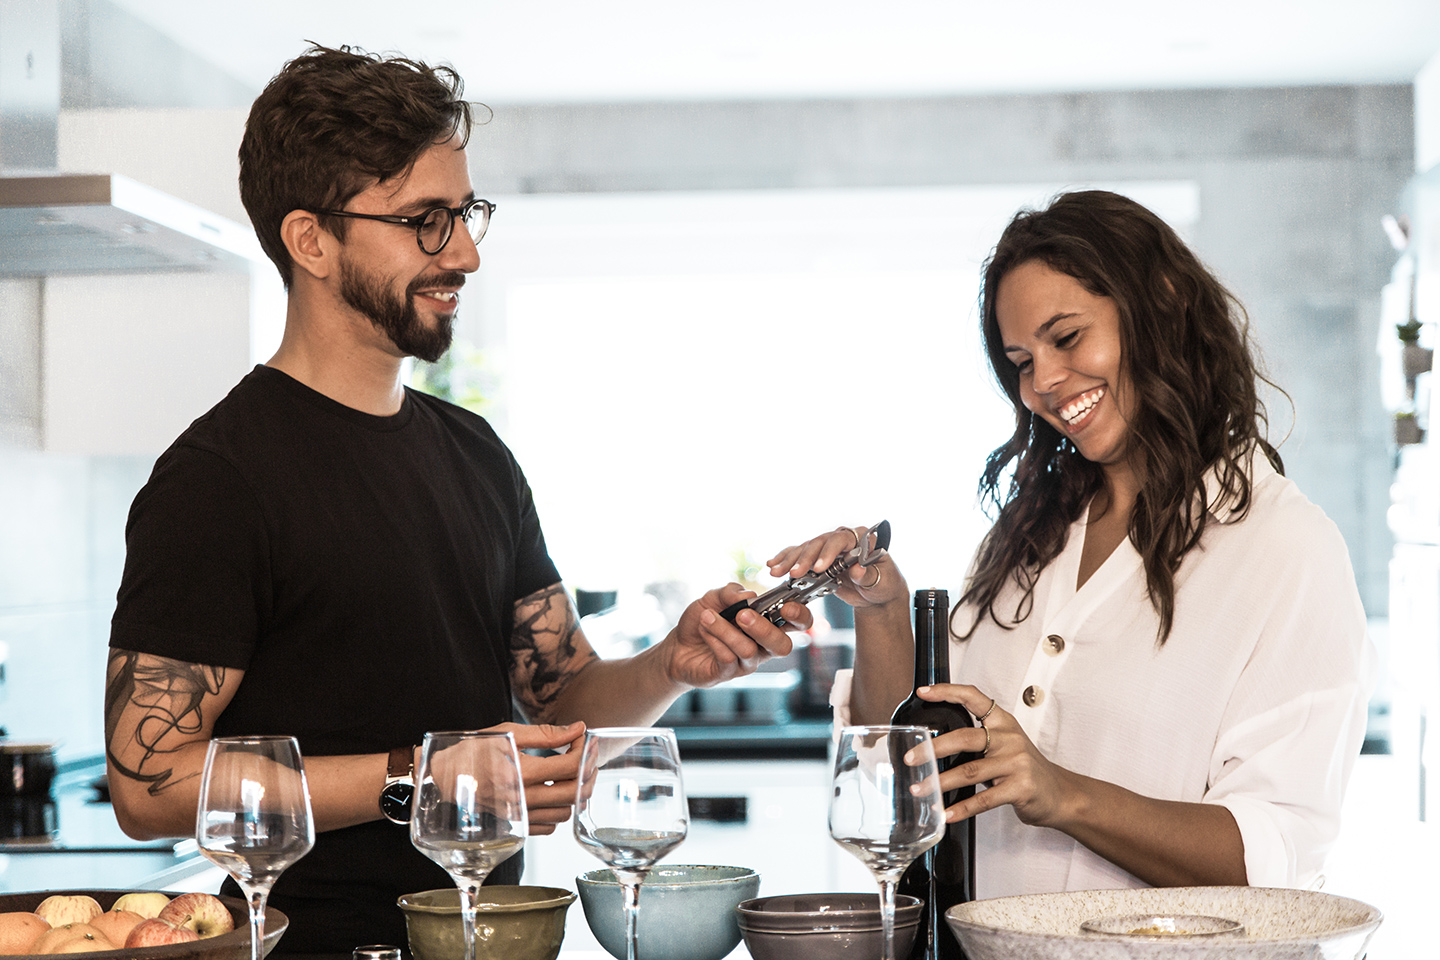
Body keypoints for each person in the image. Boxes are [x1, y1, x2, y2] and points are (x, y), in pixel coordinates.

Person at [102, 45, 803, 955]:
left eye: (466, 213)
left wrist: (675, 661)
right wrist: (416, 778)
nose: (465, 252)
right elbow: (146, 786)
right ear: (310, 239)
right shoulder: (218, 480)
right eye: (425, 221)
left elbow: (560, 700)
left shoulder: (476, 454)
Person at [771, 190, 1375, 898]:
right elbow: (911, 773)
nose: (1044, 384)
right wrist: (880, 609)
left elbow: (1277, 858)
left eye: (1066, 338)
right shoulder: (1026, 540)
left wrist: (1062, 793)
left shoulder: (1286, 550)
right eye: (1022, 360)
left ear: (1165, 303)